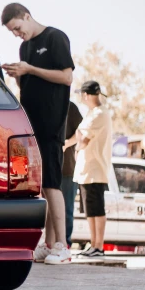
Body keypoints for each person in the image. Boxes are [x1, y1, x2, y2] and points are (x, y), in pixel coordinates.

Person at [1, 3, 74, 265]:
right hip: (30, 123)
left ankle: (63, 246)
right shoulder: (25, 48)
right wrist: (18, 74)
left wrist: (30, 69)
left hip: (52, 122)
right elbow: (30, 83)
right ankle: (49, 243)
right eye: (12, 32)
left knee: (53, 182)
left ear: (27, 16)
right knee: (41, 185)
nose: (17, 34)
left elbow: (66, 77)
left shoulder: (55, 37)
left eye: (18, 28)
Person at [73, 81, 113, 257]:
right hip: (86, 170)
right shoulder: (93, 113)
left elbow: (83, 138)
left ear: (86, 95)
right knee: (90, 210)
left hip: (94, 168)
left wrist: (76, 146)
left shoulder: (99, 114)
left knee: (97, 209)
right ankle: (94, 245)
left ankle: (99, 246)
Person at [62, 101, 83, 247]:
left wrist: (66, 143)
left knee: (67, 209)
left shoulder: (70, 107)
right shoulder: (43, 104)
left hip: (68, 169)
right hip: (46, 168)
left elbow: (81, 133)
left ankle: (65, 243)